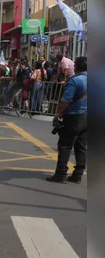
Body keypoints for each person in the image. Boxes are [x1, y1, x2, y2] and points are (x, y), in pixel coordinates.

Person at [47, 56, 87, 184]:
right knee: (81, 147)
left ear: (76, 67)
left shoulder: (75, 81)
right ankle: (78, 175)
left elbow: (66, 100)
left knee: (65, 146)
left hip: (74, 116)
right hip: (89, 117)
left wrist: (58, 113)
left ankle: (61, 173)